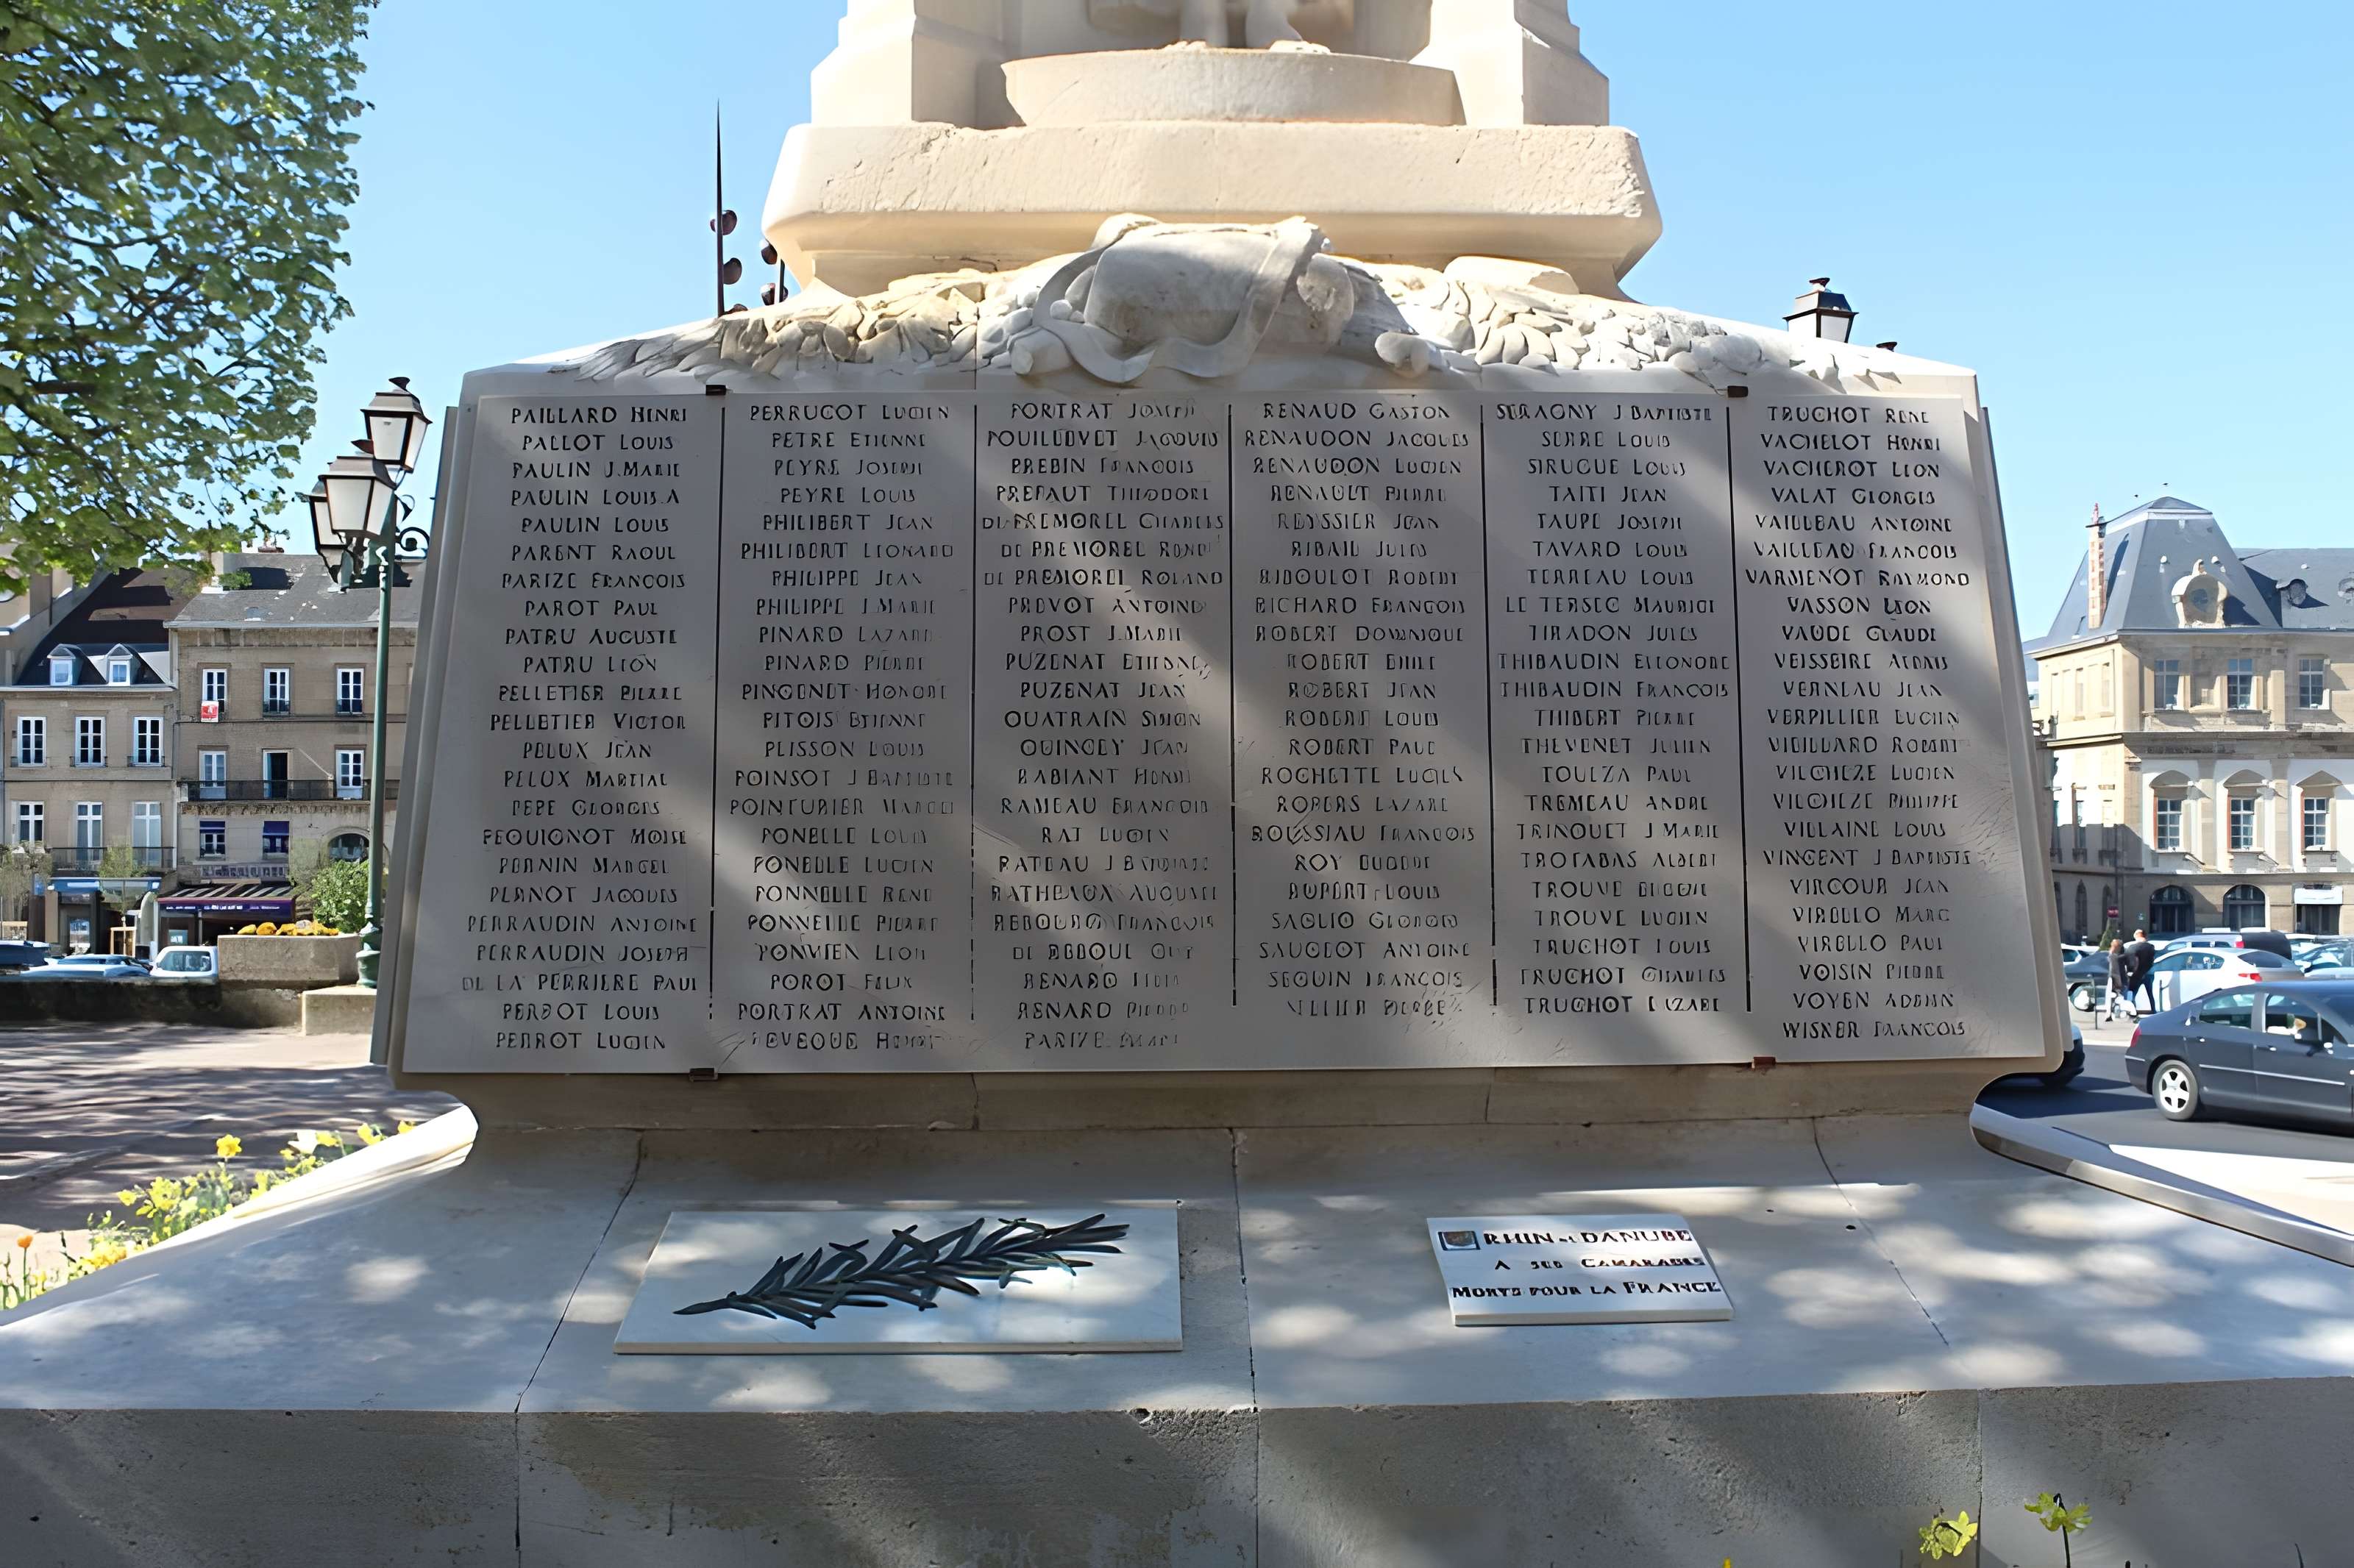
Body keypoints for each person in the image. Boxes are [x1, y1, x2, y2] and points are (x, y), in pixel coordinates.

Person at [2124, 928, 2159, 1015]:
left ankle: (2132, 1010)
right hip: (2149, 973)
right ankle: (2154, 1010)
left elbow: (2128, 961)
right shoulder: (2151, 947)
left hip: (2137, 974)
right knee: (2150, 993)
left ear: (2136, 936)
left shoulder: (2132, 948)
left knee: (2133, 993)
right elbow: (2153, 960)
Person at [2102, 937, 2131, 1023]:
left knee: (2110, 998)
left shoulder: (2111, 956)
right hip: (2118, 978)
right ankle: (2126, 1013)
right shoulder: (2119, 957)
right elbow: (2118, 970)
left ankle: (2109, 1014)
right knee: (2123, 996)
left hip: (2112, 978)